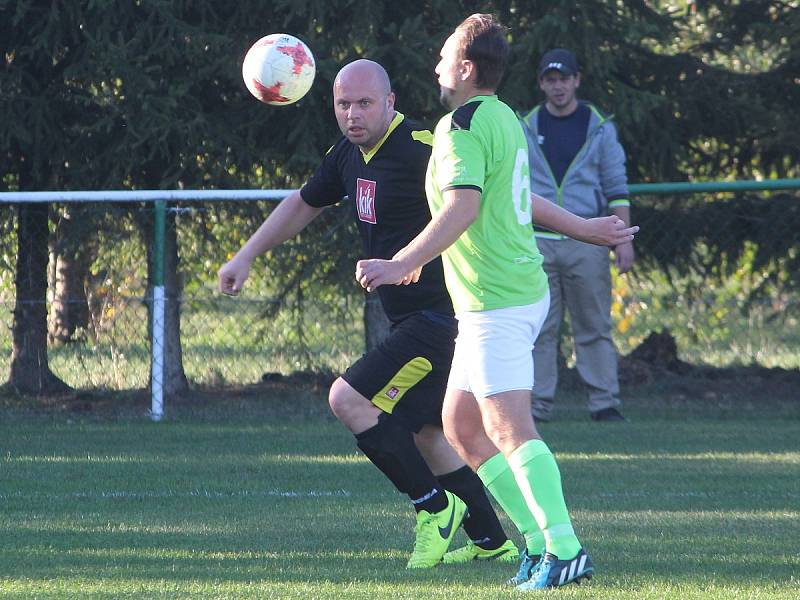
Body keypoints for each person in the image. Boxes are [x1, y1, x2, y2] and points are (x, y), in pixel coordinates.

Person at [355, 15, 637, 589]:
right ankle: (536, 543)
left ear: (464, 68)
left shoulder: (461, 125)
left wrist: (403, 262)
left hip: (498, 298)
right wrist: (585, 228)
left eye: (442, 58)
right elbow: (519, 196)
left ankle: (565, 548)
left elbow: (463, 206)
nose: (435, 67)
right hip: (501, 295)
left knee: (509, 426)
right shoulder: (502, 116)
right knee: (460, 425)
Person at [218, 59, 520, 569]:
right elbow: (302, 203)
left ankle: (434, 508)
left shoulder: (425, 149)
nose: (353, 113)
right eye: (343, 104)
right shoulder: (347, 156)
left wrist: (577, 226)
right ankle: (494, 541)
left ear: (390, 102)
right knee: (427, 434)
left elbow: (487, 198)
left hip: (442, 317)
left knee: (348, 399)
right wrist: (245, 255)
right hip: (414, 319)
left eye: (363, 103)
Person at [519, 48, 634, 423]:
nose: (558, 86)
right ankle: (536, 406)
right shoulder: (526, 126)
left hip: (589, 240)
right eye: (550, 80)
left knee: (594, 325)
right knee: (539, 329)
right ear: (541, 84)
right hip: (536, 242)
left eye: (564, 79)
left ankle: (604, 403)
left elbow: (616, 185)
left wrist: (623, 239)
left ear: (576, 81)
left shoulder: (598, 126)